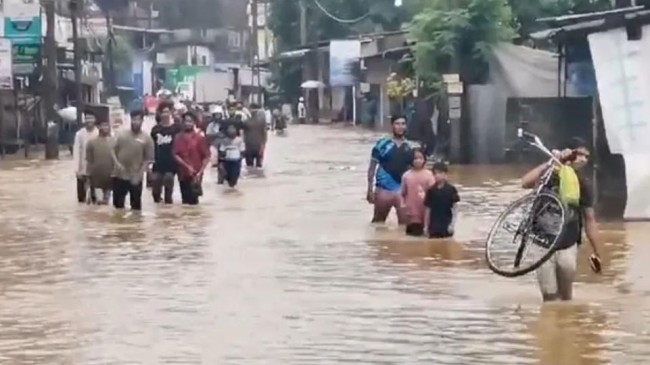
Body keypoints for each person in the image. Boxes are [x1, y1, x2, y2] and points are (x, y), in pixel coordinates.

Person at [521, 137, 602, 302]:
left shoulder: (583, 184)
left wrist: (596, 250)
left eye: (586, 157)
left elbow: (590, 219)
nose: (583, 160)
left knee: (566, 297)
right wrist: (554, 161)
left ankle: (566, 323)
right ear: (569, 153)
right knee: (549, 297)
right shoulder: (550, 173)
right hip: (541, 241)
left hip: (567, 242)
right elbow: (525, 182)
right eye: (580, 154)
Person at [366, 116, 415, 224]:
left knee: (405, 225)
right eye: (397, 124)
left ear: (406, 126)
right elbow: (372, 168)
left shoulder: (411, 147)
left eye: (403, 124)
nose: (400, 127)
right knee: (378, 224)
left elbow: (415, 171)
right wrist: (369, 189)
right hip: (383, 189)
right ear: (392, 125)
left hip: (402, 191)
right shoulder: (381, 144)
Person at [113, 110, 155, 211]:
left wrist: (139, 175)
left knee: (136, 208)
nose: (136, 122)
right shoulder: (121, 135)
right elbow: (113, 151)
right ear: (130, 120)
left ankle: (136, 226)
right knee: (118, 207)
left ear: (142, 121)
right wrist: (116, 163)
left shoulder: (146, 138)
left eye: (138, 120)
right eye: (134, 119)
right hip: (120, 175)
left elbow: (148, 160)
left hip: (136, 176)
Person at [172, 112, 210, 205]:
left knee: (194, 201)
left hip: (196, 174)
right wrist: (186, 166)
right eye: (185, 121)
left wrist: (200, 172)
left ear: (194, 123)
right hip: (183, 173)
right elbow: (175, 154)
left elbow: (207, 156)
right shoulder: (178, 137)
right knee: (185, 200)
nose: (187, 123)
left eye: (190, 121)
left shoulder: (199, 138)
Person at [150, 102, 180, 204]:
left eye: (167, 112)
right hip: (158, 162)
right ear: (159, 114)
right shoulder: (155, 130)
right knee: (155, 191)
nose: (165, 114)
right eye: (163, 112)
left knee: (168, 181)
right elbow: (151, 147)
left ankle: (168, 207)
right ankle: (158, 207)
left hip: (171, 163)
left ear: (171, 113)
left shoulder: (176, 128)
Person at [401, 148, 436, 236]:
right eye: (415, 158)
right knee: (413, 236)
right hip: (412, 212)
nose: (418, 161)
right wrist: (403, 206)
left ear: (424, 160)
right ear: (411, 160)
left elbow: (434, 193)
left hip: (426, 211)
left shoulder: (429, 175)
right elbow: (403, 193)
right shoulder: (406, 175)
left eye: (420, 158)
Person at [424, 162, 460, 239]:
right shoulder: (430, 190)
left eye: (440, 173)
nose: (437, 175)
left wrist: (452, 225)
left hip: (446, 226)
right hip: (433, 227)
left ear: (445, 174)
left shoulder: (451, 190)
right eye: (435, 173)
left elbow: (455, 209)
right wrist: (426, 226)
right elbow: (427, 209)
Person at [85, 119, 115, 205]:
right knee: (99, 203)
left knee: (106, 203)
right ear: (98, 127)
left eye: (107, 125)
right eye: (103, 125)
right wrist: (88, 176)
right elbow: (89, 161)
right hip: (96, 178)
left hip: (109, 178)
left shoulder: (114, 141)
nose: (105, 128)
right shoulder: (91, 143)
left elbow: (117, 160)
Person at [73, 115, 98, 203]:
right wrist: (76, 170)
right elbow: (76, 152)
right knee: (81, 199)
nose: (89, 120)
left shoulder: (98, 133)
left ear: (95, 120)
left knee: (95, 198)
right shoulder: (79, 134)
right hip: (82, 170)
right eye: (87, 118)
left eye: (91, 118)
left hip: (95, 171)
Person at [218, 123, 245, 188]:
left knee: (235, 175)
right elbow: (221, 151)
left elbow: (242, 150)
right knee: (228, 176)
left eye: (233, 129)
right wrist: (221, 161)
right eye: (230, 129)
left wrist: (241, 158)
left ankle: (232, 186)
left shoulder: (239, 140)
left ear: (236, 131)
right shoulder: (224, 141)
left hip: (236, 161)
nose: (231, 131)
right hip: (227, 161)